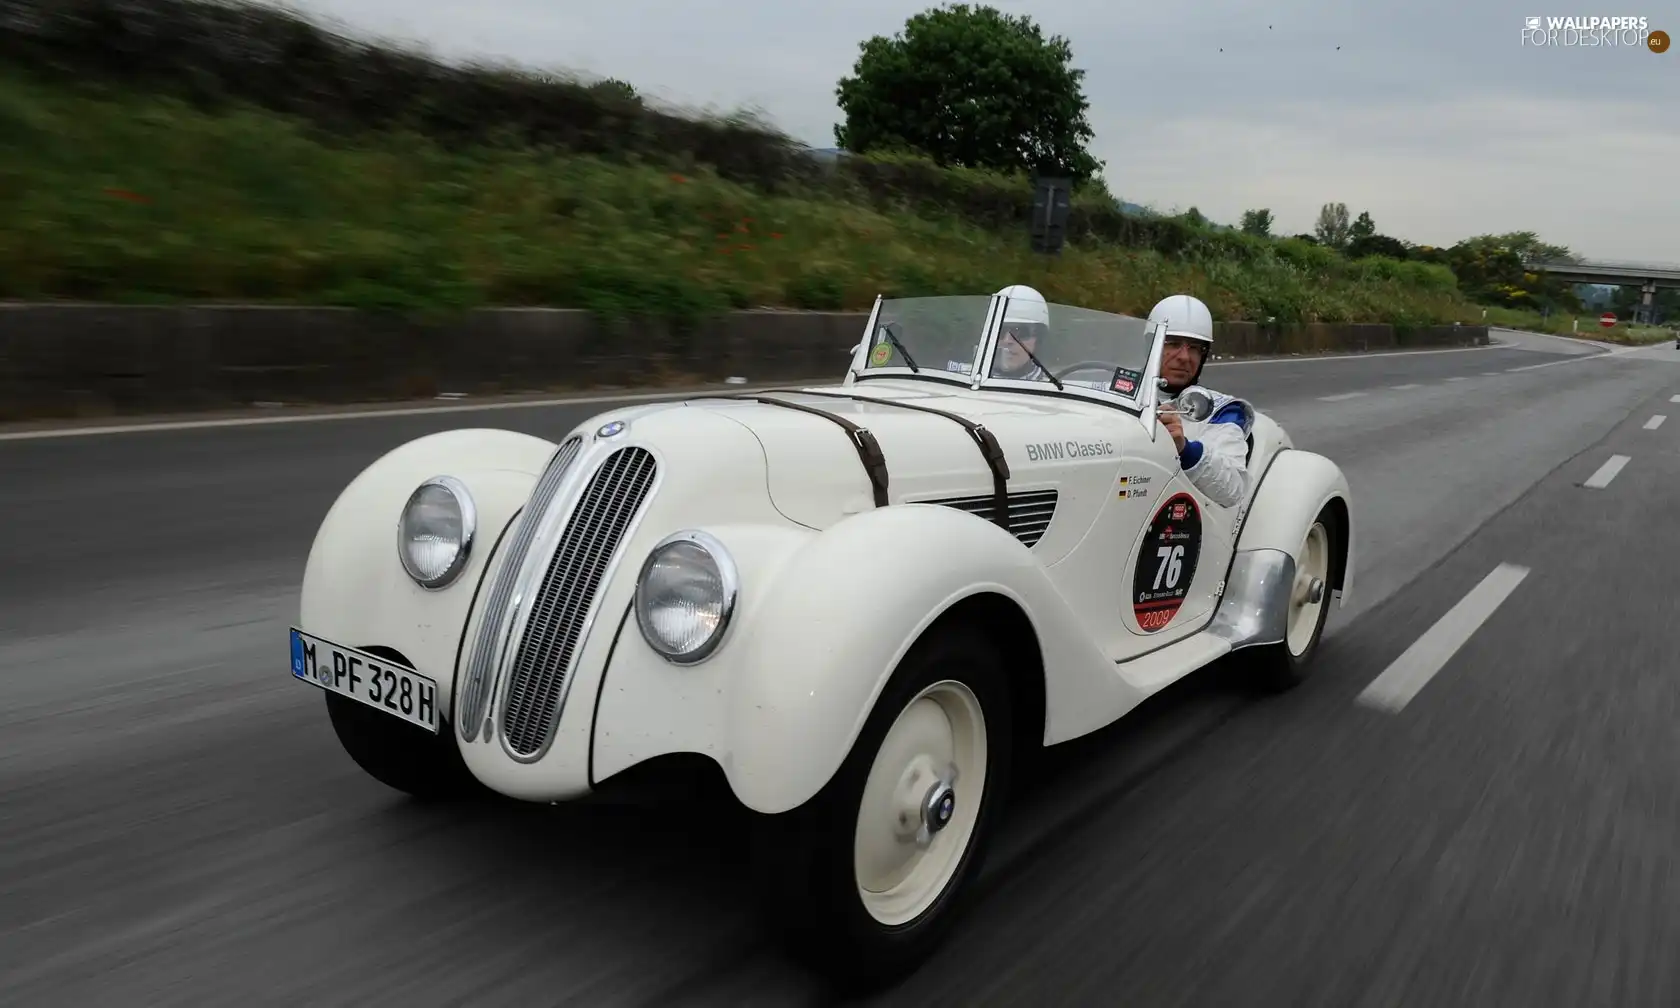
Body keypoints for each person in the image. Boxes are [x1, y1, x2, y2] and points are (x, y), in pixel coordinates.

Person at [1146, 294, 1253, 508]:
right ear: (1150, 345)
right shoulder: (1113, 391)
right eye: (1173, 343)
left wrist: (1185, 449)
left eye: (1194, 347)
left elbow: (1232, 491)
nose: (1185, 357)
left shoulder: (1222, 410)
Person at [988, 284, 1052, 381]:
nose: (1007, 340)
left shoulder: (1054, 391)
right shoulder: (965, 380)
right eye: (1000, 331)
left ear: (1039, 340)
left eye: (1020, 332)